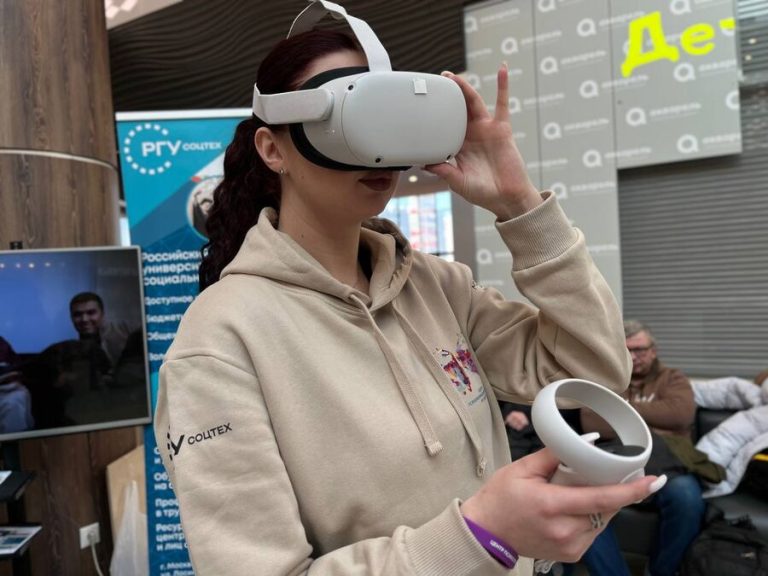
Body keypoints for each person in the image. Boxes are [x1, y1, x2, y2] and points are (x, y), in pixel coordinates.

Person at [153, 18, 666, 576]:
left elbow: (594, 370)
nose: (378, 150)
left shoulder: (433, 285)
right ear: (274, 149)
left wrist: (519, 204)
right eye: (351, 115)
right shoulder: (221, 340)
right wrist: (479, 535)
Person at [579, 320, 706, 576]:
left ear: (653, 351)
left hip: (668, 463)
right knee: (581, 505)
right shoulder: (607, 381)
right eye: (626, 351)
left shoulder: (673, 378)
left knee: (687, 497)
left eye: (639, 349)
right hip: (616, 464)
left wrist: (620, 413)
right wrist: (655, 419)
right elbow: (591, 421)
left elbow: (681, 415)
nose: (633, 357)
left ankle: (660, 571)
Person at [69, 292, 136, 368]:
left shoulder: (126, 330)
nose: (84, 319)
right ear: (71, 317)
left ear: (102, 313)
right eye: (78, 314)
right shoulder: (72, 351)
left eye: (91, 313)